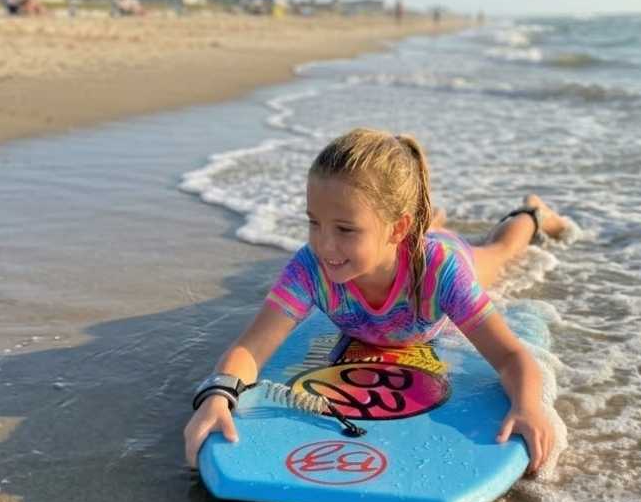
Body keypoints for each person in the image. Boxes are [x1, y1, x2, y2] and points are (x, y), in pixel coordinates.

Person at [183, 128, 572, 475]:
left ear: (399, 228)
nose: (324, 243)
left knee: (500, 250)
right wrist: (218, 395)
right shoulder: (310, 267)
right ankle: (429, 220)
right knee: (402, 237)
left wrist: (528, 407)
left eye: (345, 229)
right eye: (313, 222)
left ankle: (533, 212)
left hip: (442, 253)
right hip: (400, 240)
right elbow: (250, 348)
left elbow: (511, 357)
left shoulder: (441, 273)